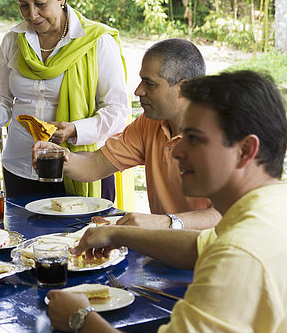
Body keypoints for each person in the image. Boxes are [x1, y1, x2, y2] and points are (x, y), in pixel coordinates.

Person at [47, 70, 287, 333]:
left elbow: (223, 252)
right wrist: (116, 233)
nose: (178, 151)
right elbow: (198, 246)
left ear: (245, 150)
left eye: (194, 139)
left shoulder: (238, 256)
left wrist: (80, 318)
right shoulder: (273, 204)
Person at [0, 0, 130, 199]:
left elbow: (118, 110)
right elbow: (2, 101)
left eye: (40, 4)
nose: (32, 15)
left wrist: (76, 129)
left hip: (80, 164)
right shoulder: (13, 41)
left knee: (84, 237)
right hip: (21, 166)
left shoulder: (97, 42)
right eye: (23, 5)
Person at [34, 38, 221, 229]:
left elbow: (228, 215)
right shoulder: (148, 122)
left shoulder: (223, 135)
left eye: (150, 84)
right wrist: (61, 157)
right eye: (141, 81)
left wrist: (165, 222)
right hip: (169, 248)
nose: (138, 91)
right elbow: (96, 164)